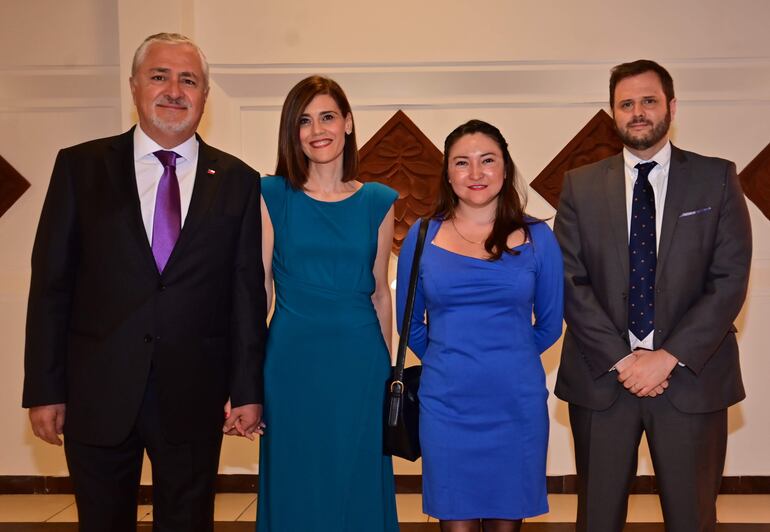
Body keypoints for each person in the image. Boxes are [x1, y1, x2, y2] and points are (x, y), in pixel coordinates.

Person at [22, 32, 267, 531]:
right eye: (160, 76)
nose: (174, 90)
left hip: (195, 393)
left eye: (189, 80)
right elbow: (51, 286)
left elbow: (246, 293)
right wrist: (44, 389)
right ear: (134, 86)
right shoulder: (80, 167)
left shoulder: (239, 180)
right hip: (97, 388)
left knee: (188, 521)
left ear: (204, 96)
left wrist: (247, 389)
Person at [553, 59, 752, 532]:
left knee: (692, 520)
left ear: (672, 106)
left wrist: (667, 357)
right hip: (602, 381)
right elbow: (568, 280)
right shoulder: (579, 186)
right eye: (626, 104)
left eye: (648, 100)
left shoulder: (717, 179)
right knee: (597, 520)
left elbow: (729, 281)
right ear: (612, 113)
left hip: (690, 381)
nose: (637, 112)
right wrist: (624, 360)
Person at [396, 120, 564, 532]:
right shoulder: (421, 236)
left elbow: (550, 324)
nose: (475, 174)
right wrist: (448, 362)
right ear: (448, 173)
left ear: (505, 168)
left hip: (516, 405)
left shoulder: (539, 236)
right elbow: (409, 324)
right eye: (462, 163)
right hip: (446, 406)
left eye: (487, 161)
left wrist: (509, 359)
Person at [256, 75, 399, 532]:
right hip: (291, 363)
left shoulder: (378, 200)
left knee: (356, 478)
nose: (317, 129)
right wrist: (245, 378)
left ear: (349, 123)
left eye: (327, 116)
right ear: (291, 132)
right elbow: (261, 288)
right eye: (304, 120)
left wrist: (391, 373)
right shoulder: (270, 194)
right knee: (297, 479)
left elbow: (380, 291)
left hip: (360, 364)